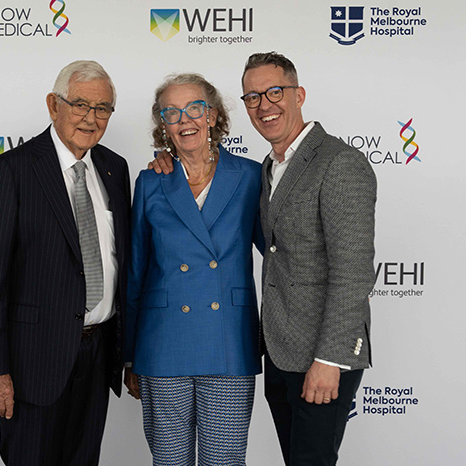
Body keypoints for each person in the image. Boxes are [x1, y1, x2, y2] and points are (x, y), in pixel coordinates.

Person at [151, 52, 376, 466]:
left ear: (299, 94)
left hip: (322, 356)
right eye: (253, 97)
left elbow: (354, 272)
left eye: (275, 92)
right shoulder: (269, 169)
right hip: (279, 350)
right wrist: (172, 168)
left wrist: (330, 359)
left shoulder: (339, 163)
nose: (264, 105)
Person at [0, 60, 130, 466]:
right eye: (79, 104)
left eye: (103, 108)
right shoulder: (12, 170)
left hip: (98, 355)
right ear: (52, 105)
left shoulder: (115, 168)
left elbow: (121, 262)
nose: (91, 119)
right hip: (32, 365)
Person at [124, 73, 264, 466]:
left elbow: (278, 253)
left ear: (213, 116)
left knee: (224, 460)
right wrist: (131, 353)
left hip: (229, 340)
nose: (184, 119)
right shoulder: (151, 181)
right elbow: (137, 270)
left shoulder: (251, 176)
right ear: (162, 125)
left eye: (194, 108)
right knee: (169, 461)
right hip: (163, 342)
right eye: (171, 112)